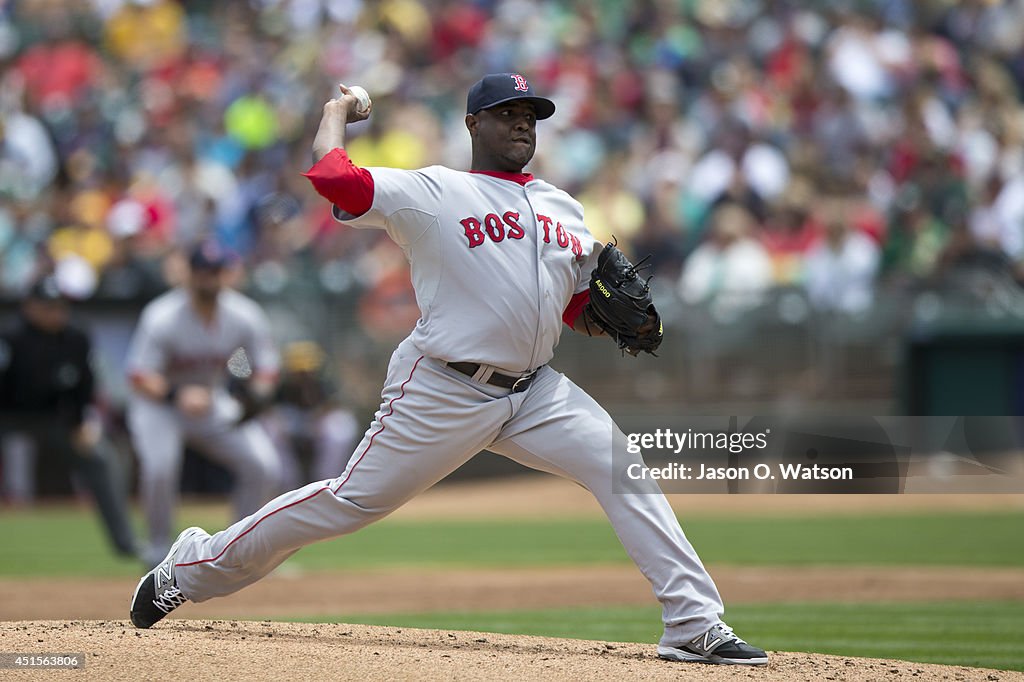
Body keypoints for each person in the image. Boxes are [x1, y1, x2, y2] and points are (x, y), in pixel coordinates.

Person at [129, 74, 767, 666]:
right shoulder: (436, 192)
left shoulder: (564, 207)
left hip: (535, 392)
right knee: (349, 503)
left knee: (618, 465)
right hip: (443, 386)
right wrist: (335, 113)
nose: (522, 123)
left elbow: (572, 307)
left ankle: (692, 622)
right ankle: (191, 565)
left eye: (531, 115)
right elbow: (333, 178)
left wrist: (605, 319)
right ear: (472, 124)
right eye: (506, 113)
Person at [124, 241, 282, 567]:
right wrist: (175, 395)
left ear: (225, 273)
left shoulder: (243, 313)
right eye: (202, 271)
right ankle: (157, 551)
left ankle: (240, 548)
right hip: (160, 408)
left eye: (215, 271)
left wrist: (258, 394)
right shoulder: (162, 316)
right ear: (190, 274)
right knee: (159, 468)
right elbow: (139, 375)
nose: (209, 278)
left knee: (263, 464)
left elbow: (264, 366)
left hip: (210, 403)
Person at [0, 276, 136, 556]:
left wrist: (81, 423)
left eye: (60, 306)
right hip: (8, 416)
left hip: (55, 420)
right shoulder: (10, 338)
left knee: (100, 457)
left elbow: (85, 387)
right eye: (47, 307)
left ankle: (126, 544)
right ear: (30, 307)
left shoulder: (76, 337)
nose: (56, 313)